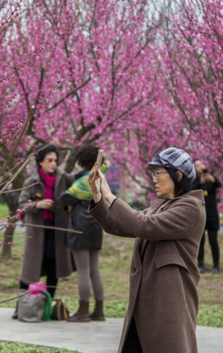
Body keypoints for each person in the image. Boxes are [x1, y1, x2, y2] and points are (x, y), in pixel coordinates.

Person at [87, 147, 206, 353]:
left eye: (158, 173)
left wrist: (110, 196)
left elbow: (144, 225)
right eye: (153, 174)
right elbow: (119, 225)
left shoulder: (191, 208)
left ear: (178, 175)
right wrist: (98, 195)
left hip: (168, 307)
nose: (154, 179)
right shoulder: (161, 206)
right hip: (144, 306)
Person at [13, 145, 74, 319]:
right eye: (49, 160)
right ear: (40, 162)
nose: (53, 164)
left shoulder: (63, 179)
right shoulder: (31, 181)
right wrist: (37, 205)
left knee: (54, 268)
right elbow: (21, 205)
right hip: (37, 231)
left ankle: (47, 304)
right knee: (29, 270)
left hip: (57, 231)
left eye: (55, 160)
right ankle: (21, 305)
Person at [59, 145, 106, 322]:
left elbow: (64, 198)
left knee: (84, 271)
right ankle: (99, 311)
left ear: (82, 161)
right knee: (94, 270)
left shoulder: (83, 182)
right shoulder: (101, 178)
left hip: (80, 227)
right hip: (96, 226)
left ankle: (83, 311)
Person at [192, 159, 222, 274]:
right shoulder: (194, 181)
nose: (200, 167)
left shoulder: (210, 178)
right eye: (197, 165)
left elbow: (218, 184)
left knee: (213, 241)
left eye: (202, 164)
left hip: (212, 216)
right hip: (199, 215)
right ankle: (201, 265)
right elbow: (190, 189)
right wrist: (200, 181)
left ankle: (216, 265)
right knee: (200, 242)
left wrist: (212, 179)